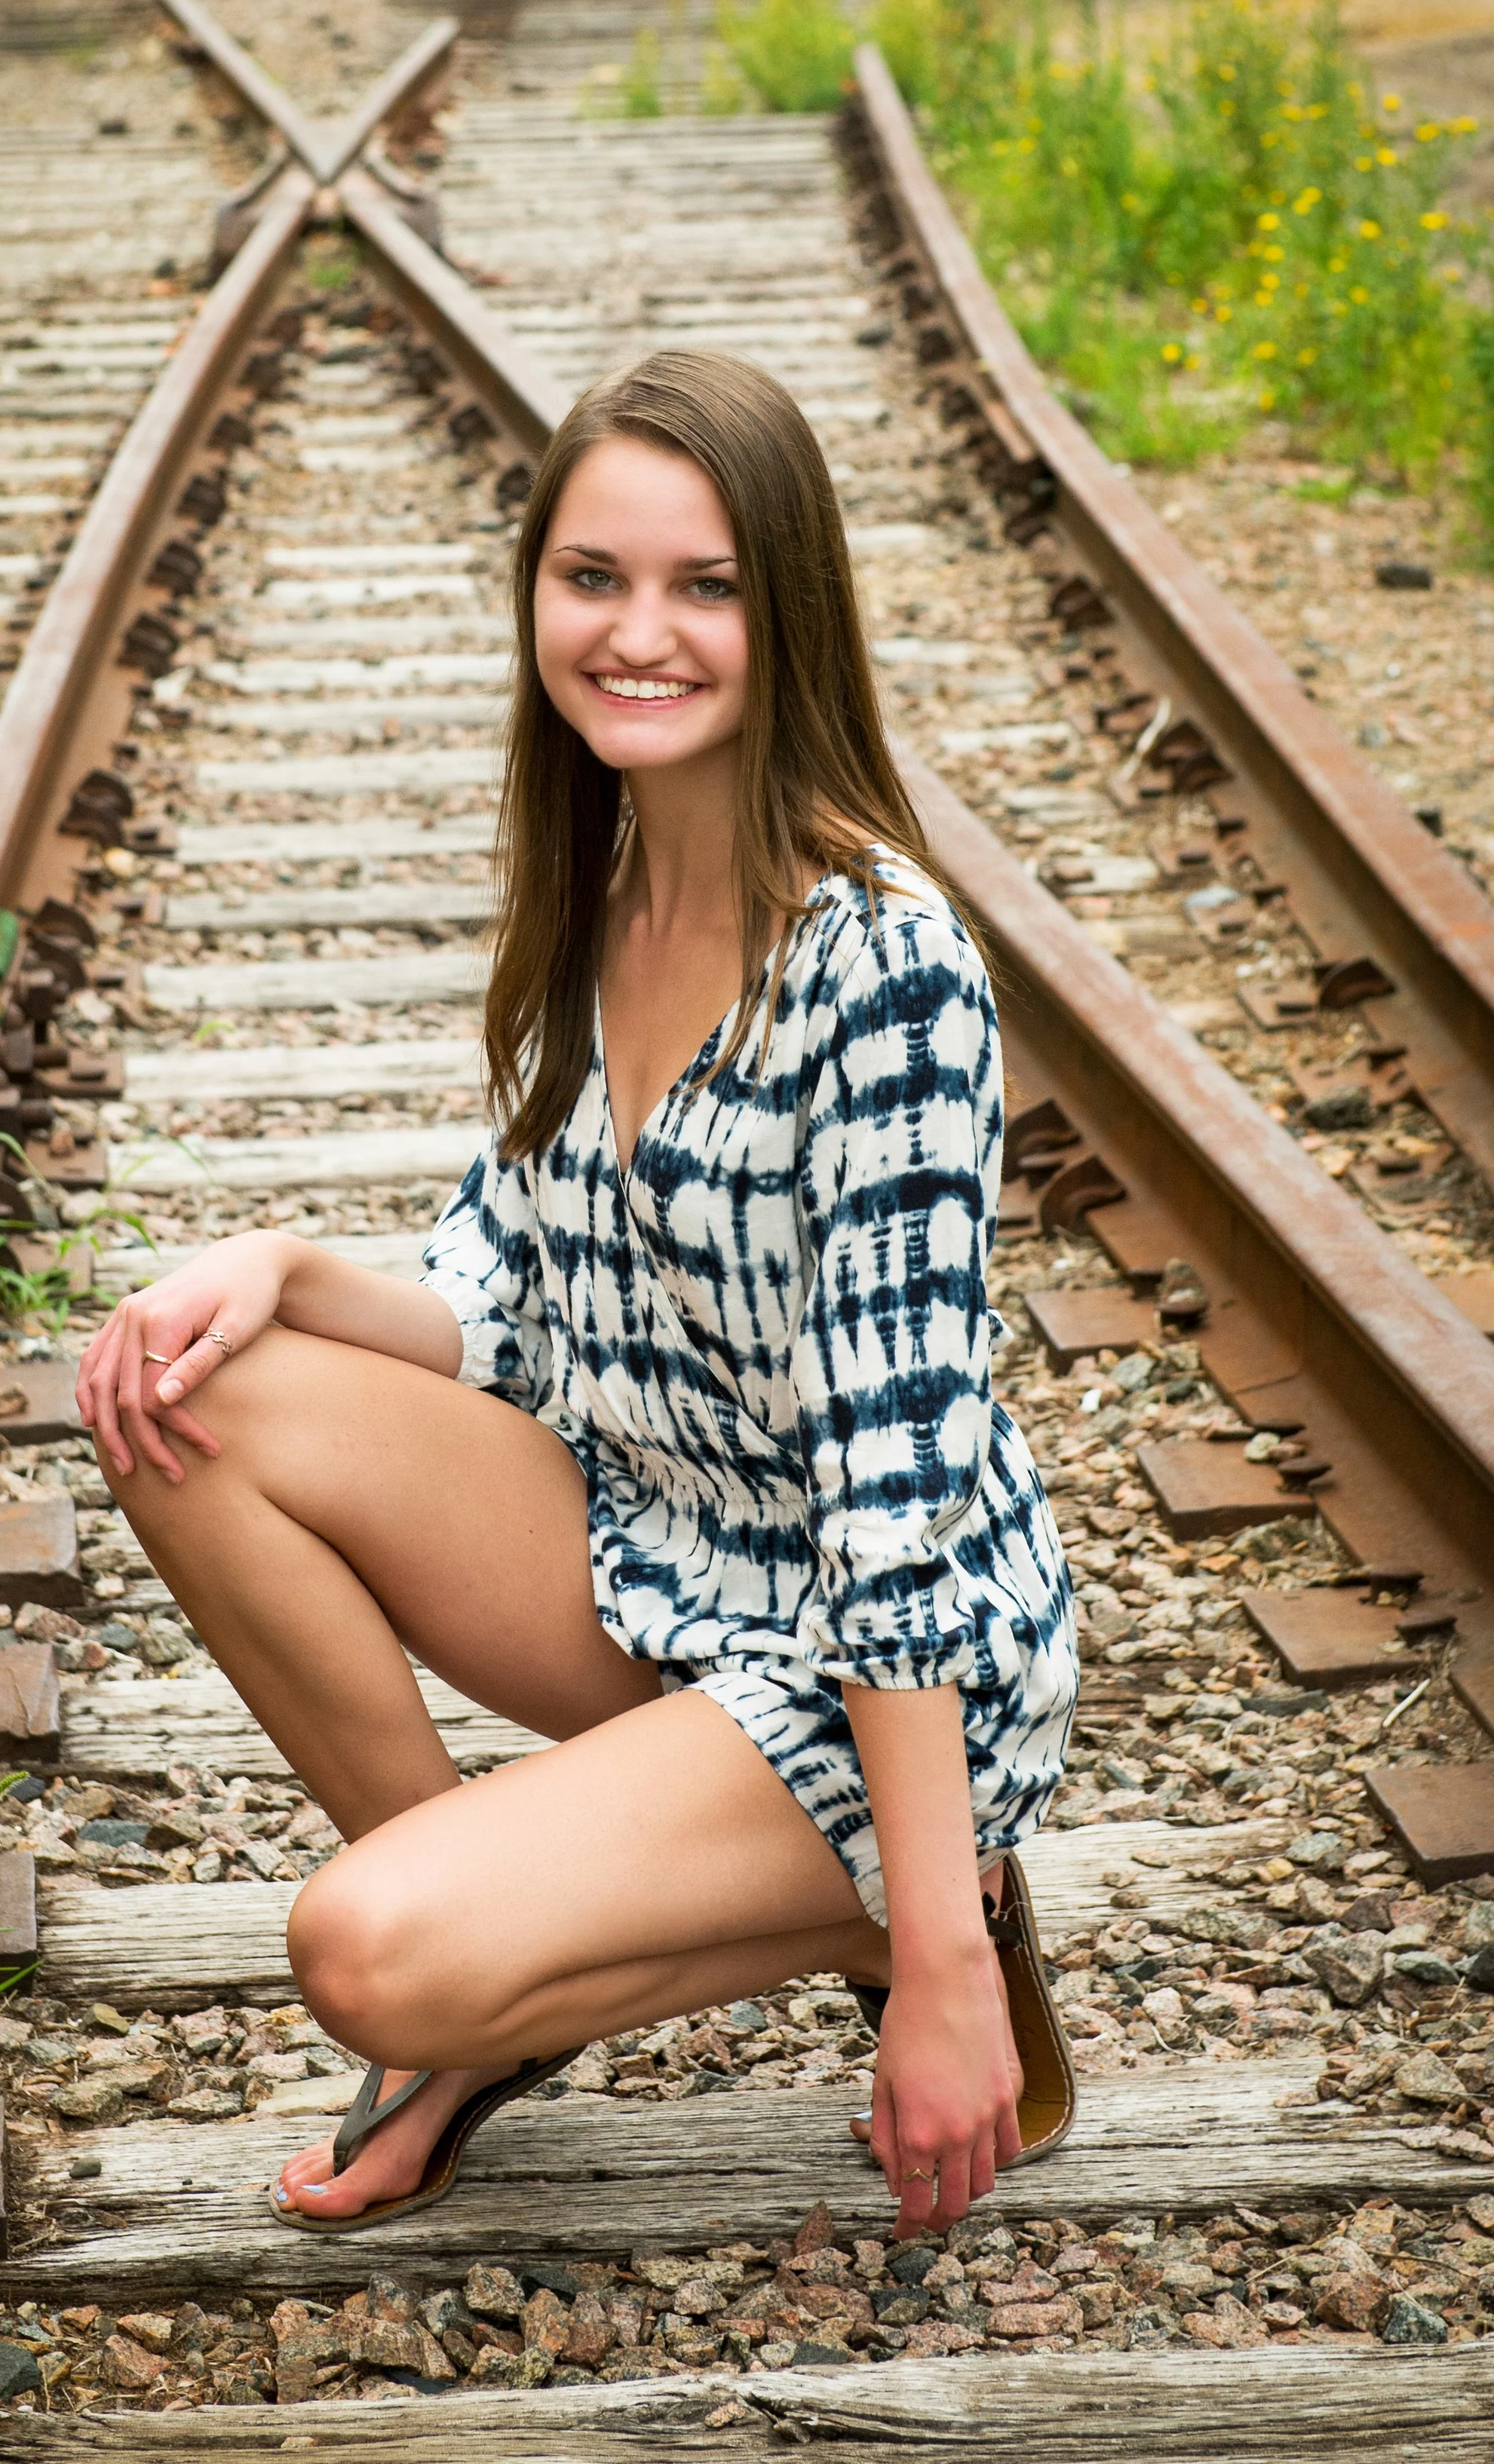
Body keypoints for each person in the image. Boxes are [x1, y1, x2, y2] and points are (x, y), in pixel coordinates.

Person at [77, 347, 1078, 2248]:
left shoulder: (886, 972)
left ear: (789, 617)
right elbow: (501, 1302)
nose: (639, 634)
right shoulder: (592, 895)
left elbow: (896, 1489)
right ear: (534, 589)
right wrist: (277, 1270)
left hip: (880, 1653)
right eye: (592, 577)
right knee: (179, 1385)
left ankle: (923, 1900)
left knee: (361, 1952)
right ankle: (488, 1992)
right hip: (654, 1561)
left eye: (702, 586)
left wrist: (938, 1963)